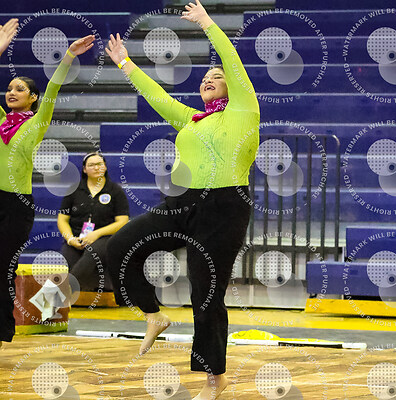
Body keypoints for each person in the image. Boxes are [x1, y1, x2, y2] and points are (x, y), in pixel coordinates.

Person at [105, 1, 259, 398]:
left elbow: (231, 61)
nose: (209, 78)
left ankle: (214, 379)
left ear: (232, 86)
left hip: (223, 207)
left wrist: (207, 23)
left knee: (205, 294)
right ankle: (153, 316)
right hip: (181, 202)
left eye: (216, 77)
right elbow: (156, 95)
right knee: (120, 246)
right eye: (205, 77)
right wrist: (125, 63)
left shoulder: (244, 110)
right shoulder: (191, 119)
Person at [0, 18, 95, 348]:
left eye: (19, 89)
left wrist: (68, 56)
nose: (12, 92)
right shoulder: (1, 119)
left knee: (3, 266)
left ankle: (2, 331)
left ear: (32, 98)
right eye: (9, 88)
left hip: (16, 205)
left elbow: (53, 89)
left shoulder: (37, 122)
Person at [57, 152, 129, 292]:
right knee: (70, 258)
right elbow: (62, 219)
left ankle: (58, 292)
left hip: (105, 237)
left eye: (100, 164)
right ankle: (82, 292)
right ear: (84, 169)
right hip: (77, 237)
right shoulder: (74, 190)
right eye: (92, 165)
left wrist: (96, 234)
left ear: (105, 167)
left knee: (92, 252)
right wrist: (70, 239)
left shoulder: (115, 191)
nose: (96, 168)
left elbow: (122, 221)